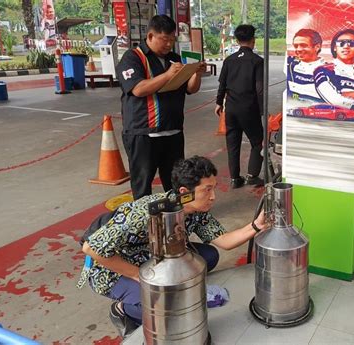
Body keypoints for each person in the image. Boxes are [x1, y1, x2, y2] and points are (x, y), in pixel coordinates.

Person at [77, 156, 268, 337]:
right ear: (185, 192)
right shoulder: (144, 213)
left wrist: (255, 226)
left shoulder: (195, 210)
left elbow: (224, 241)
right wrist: (139, 276)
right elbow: (91, 249)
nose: (213, 197)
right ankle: (122, 311)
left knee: (209, 256)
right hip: (111, 269)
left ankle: (164, 287)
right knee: (164, 310)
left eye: (214, 189)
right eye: (207, 190)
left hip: (153, 258)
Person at [117, 15, 207, 200]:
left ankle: (177, 219)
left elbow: (190, 89)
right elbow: (138, 89)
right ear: (150, 36)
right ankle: (144, 223)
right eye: (164, 40)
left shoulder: (174, 59)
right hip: (143, 133)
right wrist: (167, 75)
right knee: (142, 184)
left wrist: (196, 74)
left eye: (172, 40)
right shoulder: (132, 58)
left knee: (177, 183)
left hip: (173, 132)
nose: (168, 45)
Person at [215, 24, 264, 189]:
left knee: (233, 143)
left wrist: (218, 103)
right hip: (249, 108)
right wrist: (262, 109)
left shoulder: (229, 60)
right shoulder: (257, 61)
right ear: (253, 40)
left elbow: (222, 84)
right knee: (257, 142)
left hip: (231, 108)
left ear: (237, 40)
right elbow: (259, 88)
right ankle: (252, 176)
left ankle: (235, 179)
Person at [314, 29, 354, 110]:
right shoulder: (323, 70)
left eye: (352, 43)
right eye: (341, 43)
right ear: (335, 47)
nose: (346, 46)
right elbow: (336, 101)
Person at [287, 29, 324, 103]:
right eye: (296, 46)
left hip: (320, 112)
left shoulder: (329, 70)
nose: (299, 49)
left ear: (317, 47)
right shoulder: (290, 65)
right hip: (293, 111)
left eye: (303, 45)